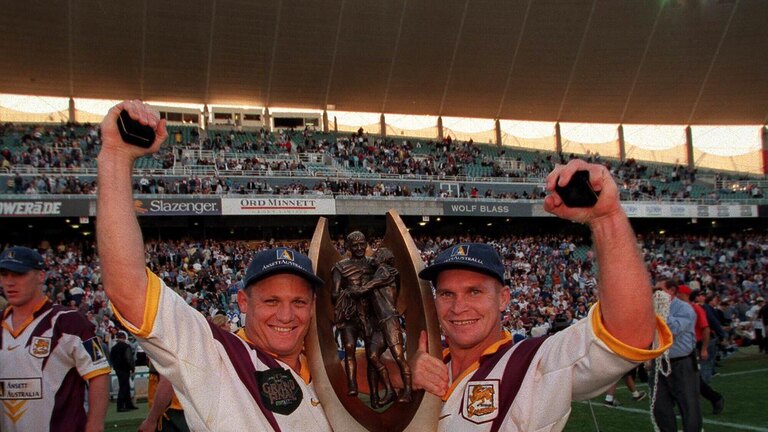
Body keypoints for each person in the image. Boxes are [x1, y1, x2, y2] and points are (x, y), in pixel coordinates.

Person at [96, 101, 331, 431]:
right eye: (271, 301)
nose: (286, 315)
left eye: (299, 302)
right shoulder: (216, 357)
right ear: (243, 302)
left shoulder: (330, 368)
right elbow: (127, 289)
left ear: (313, 306)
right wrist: (116, 157)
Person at [410, 160, 672, 431]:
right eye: (446, 294)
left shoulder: (533, 363)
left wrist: (607, 219)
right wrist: (408, 372)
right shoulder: (432, 361)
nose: (458, 306)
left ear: (503, 298)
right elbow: (364, 372)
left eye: (474, 291)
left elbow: (628, 334)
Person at [0, 246, 111, 432]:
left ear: (41, 276)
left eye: (18, 275)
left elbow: (99, 373)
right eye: (4, 274)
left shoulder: (70, 322)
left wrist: (94, 425)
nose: (9, 282)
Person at [652, 279, 701, 432]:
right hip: (660, 362)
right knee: (660, 405)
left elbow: (674, 330)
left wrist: (660, 313)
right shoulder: (653, 308)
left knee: (688, 404)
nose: (656, 293)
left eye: (660, 289)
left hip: (681, 362)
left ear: (672, 291)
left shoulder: (684, 309)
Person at [331, 231, 374, 396]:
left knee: (372, 352)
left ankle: (374, 388)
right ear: (348, 247)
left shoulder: (374, 264)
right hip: (350, 314)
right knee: (349, 347)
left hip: (370, 315)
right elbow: (334, 294)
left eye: (362, 244)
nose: (359, 248)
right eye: (354, 245)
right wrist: (349, 292)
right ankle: (352, 383)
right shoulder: (340, 267)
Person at [109, 331, 137, 412]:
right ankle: (121, 406)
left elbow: (111, 358)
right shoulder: (126, 346)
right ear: (124, 338)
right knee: (124, 387)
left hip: (118, 369)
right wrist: (132, 368)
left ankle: (128, 404)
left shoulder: (114, 348)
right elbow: (129, 358)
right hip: (125, 368)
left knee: (124, 386)